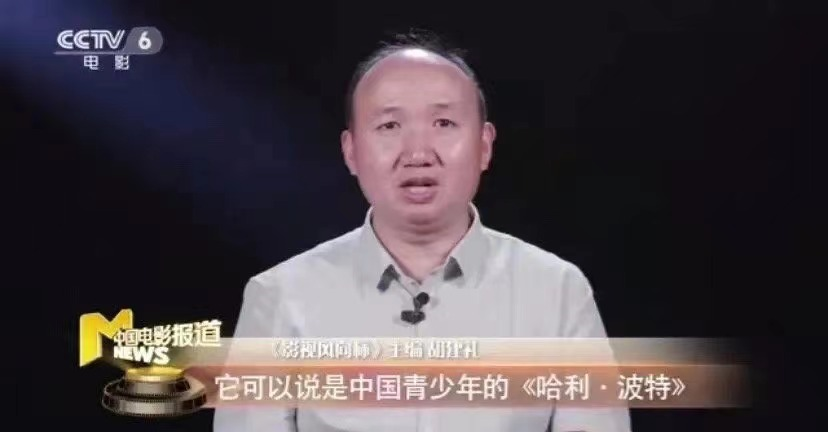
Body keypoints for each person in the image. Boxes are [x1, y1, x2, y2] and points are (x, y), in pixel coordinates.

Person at [214, 30, 632, 432]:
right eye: (389, 126)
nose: (417, 153)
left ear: (484, 145)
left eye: (444, 123)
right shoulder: (280, 297)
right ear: (351, 151)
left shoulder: (557, 291)